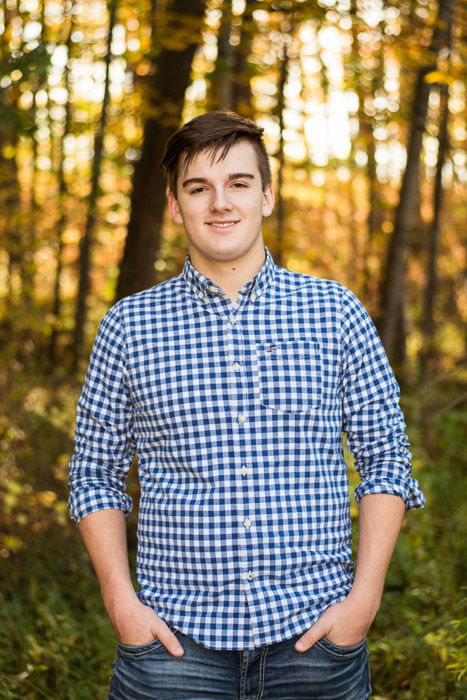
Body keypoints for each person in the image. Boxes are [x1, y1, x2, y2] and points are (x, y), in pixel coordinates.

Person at [68, 111, 425, 700]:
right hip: (170, 648)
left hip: (316, 638)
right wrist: (121, 603)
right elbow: (94, 474)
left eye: (237, 182)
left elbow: (386, 458)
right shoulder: (128, 327)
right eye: (198, 187)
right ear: (176, 205)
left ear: (267, 196)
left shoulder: (334, 312)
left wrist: (362, 602)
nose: (219, 203)